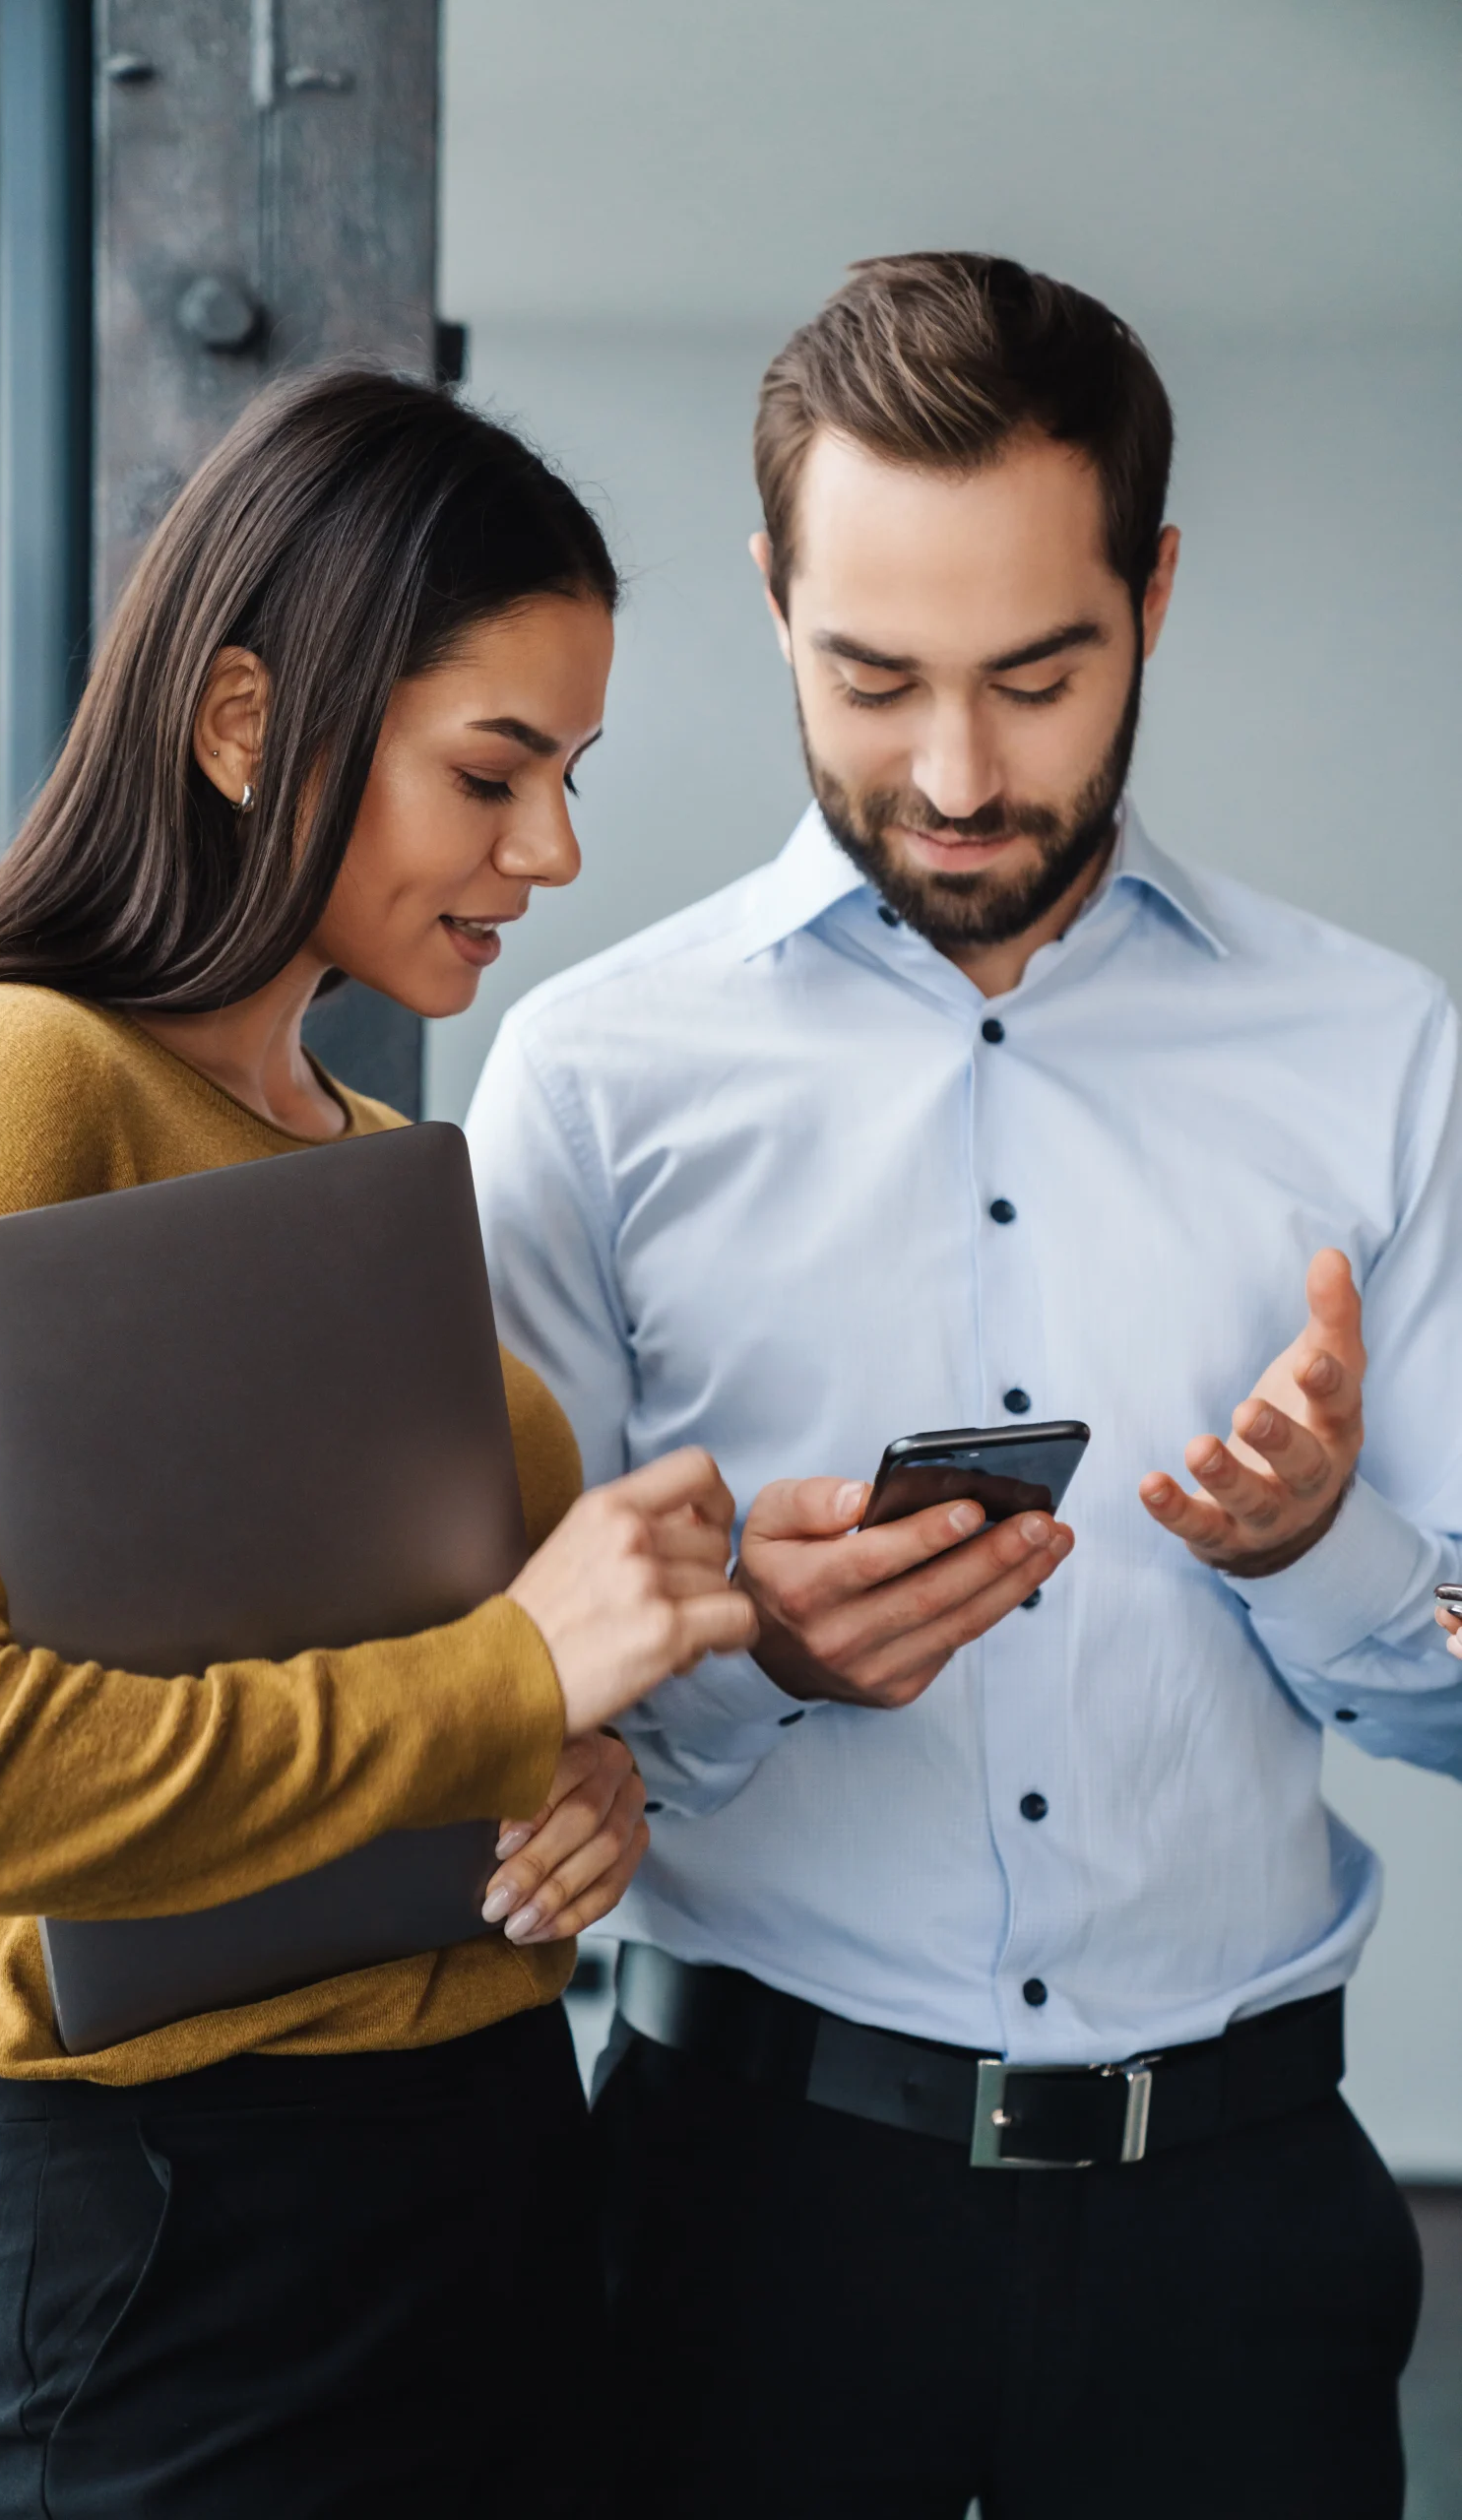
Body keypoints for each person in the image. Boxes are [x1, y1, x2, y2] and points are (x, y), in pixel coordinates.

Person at [466, 253, 1462, 2520]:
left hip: (1244, 2238)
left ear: (1156, 591)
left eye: (1034, 674)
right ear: (769, 594)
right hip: (737, 2217)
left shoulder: (1374, 1048)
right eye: (870, 674)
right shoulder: (590, 1080)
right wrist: (757, 1663)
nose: (950, 771)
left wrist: (1328, 1554)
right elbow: (499, 1736)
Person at [0, 367, 757, 2518]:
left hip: (493, 2196)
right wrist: (504, 1683)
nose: (552, 851)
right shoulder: (6, 1076)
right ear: (242, 722)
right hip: (169, 2277)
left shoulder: (385, 1165)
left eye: (568, 776)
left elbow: (405, 1708)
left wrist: (563, 1780)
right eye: (489, 771)